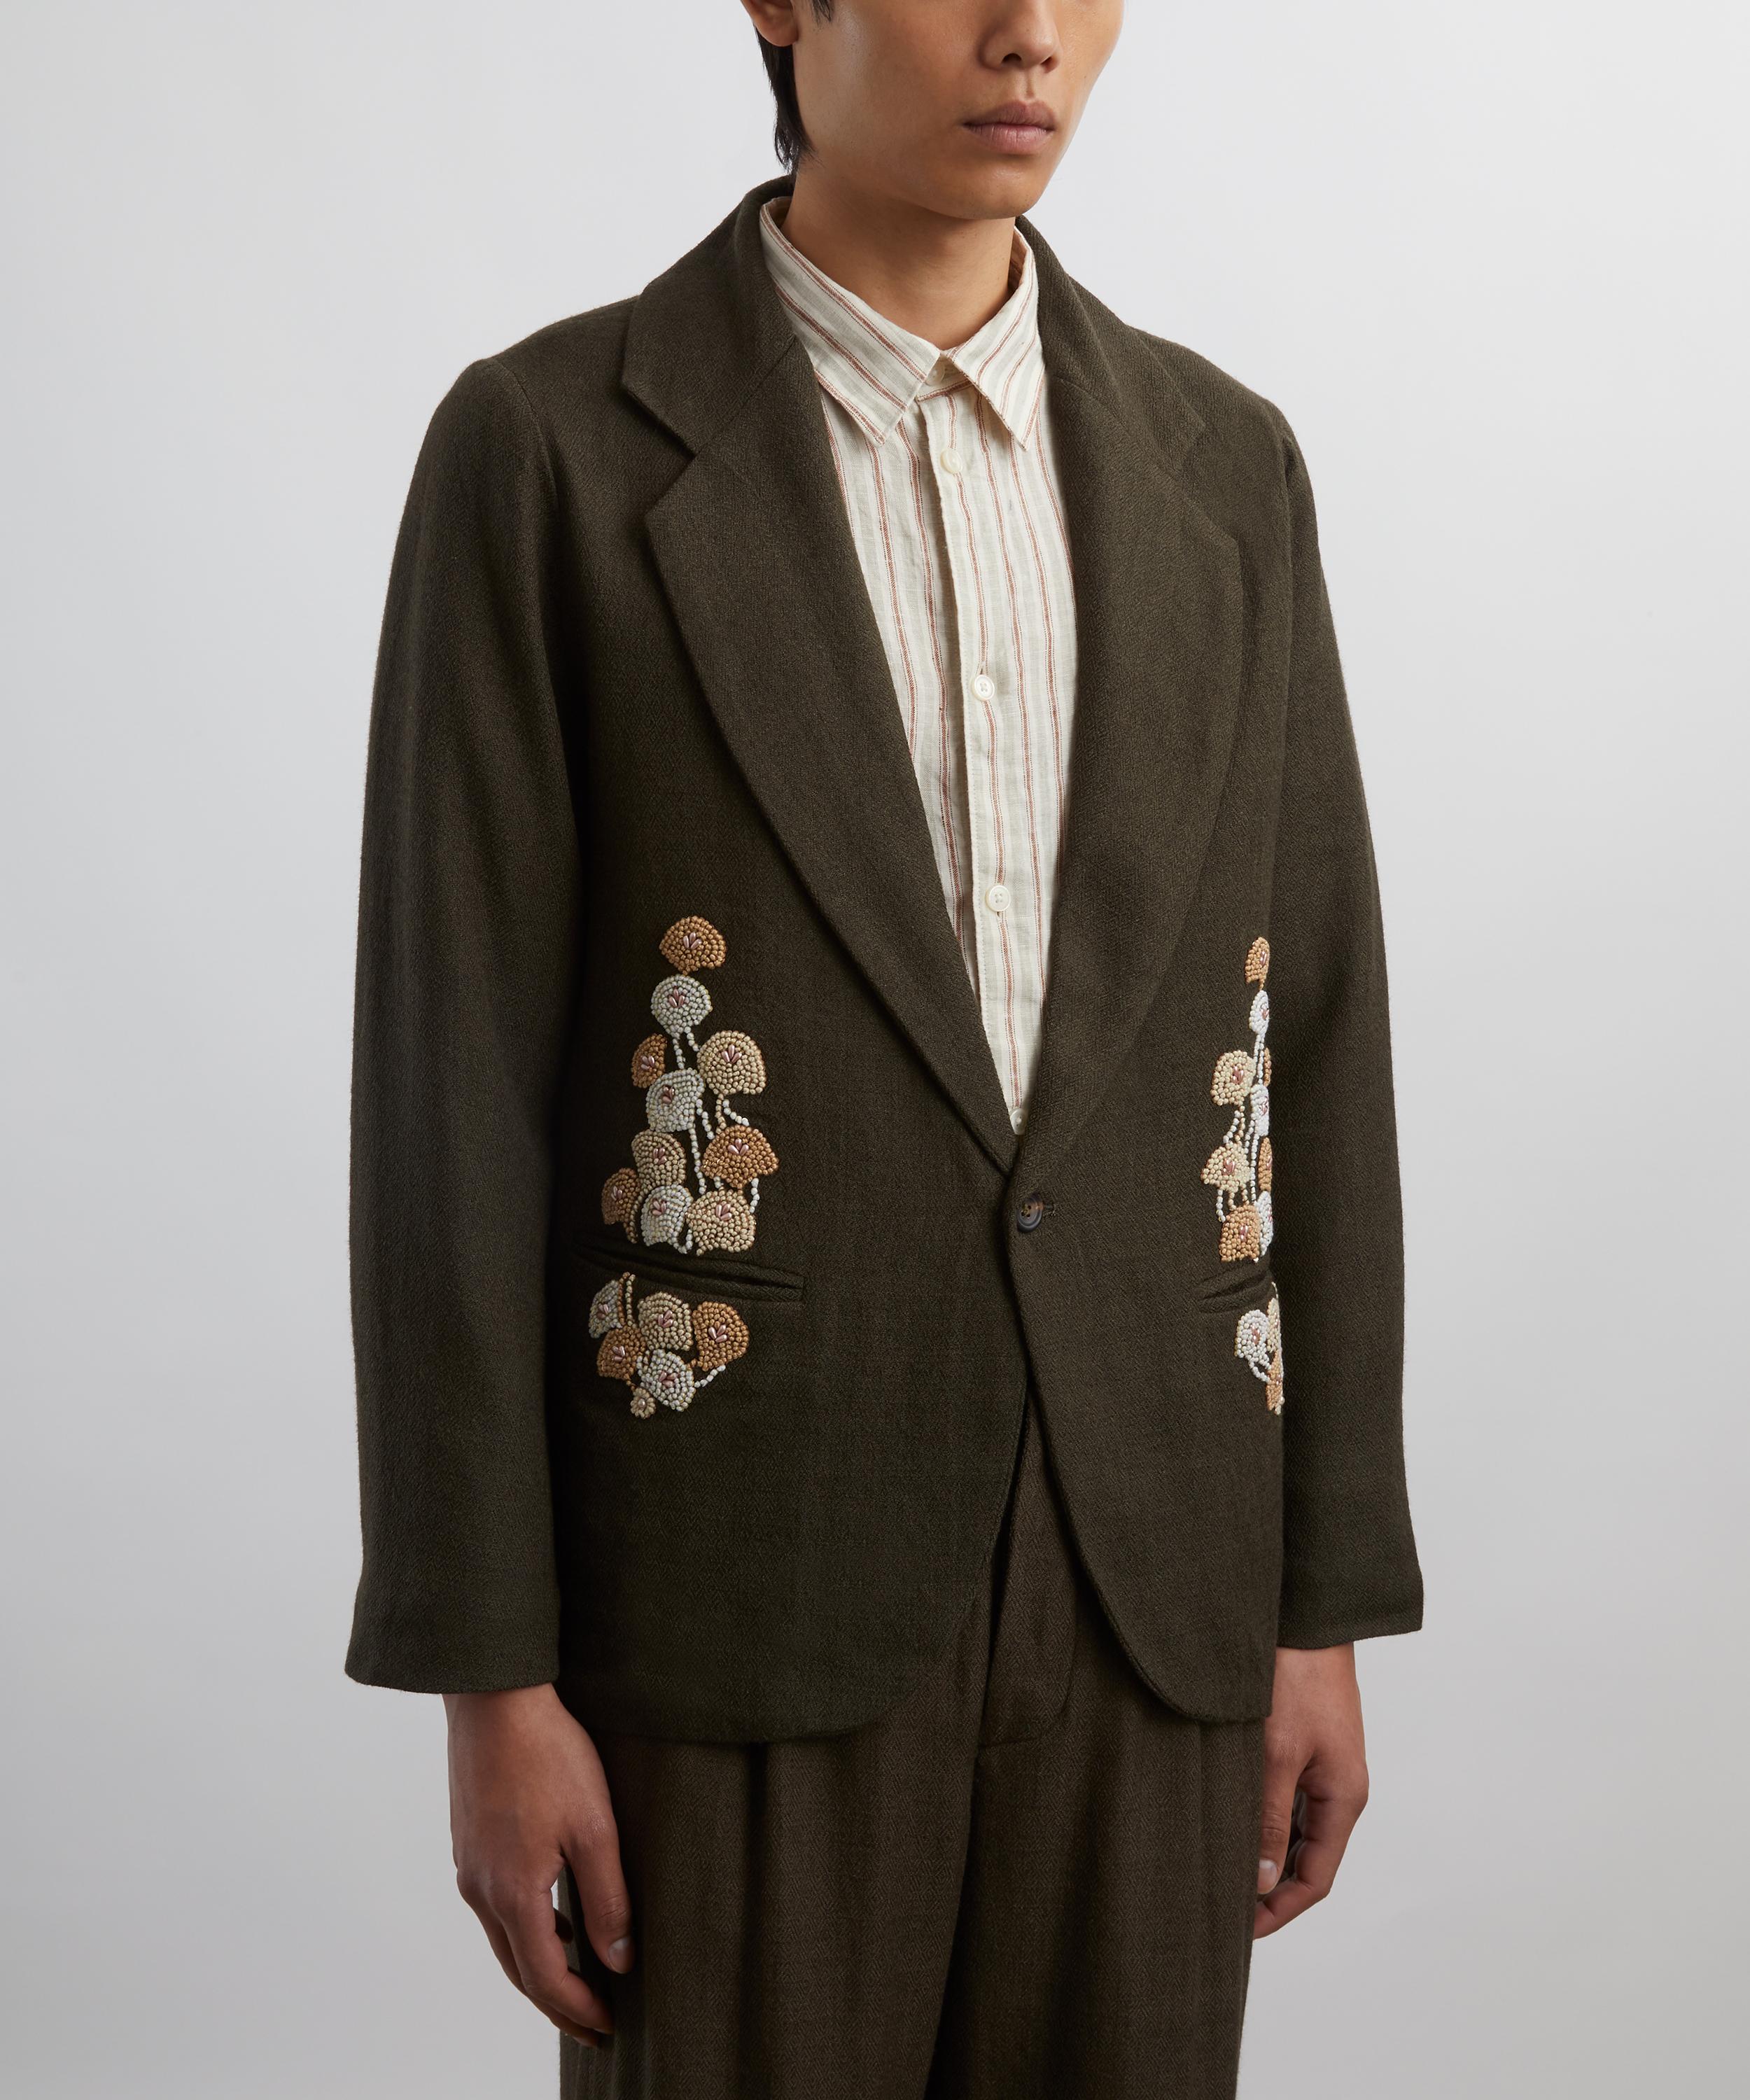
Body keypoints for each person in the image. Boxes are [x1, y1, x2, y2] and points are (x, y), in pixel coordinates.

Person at [344, 3, 1423, 2093]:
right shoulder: (552, 451)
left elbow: (1320, 1034)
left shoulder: (1227, 466)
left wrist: (1320, 1598)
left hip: (1156, 1569)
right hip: (732, 1567)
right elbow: (449, 1097)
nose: (1031, 36)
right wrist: (489, 1674)